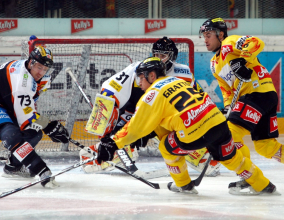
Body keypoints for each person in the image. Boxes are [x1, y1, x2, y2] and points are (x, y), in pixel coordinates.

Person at [96, 57, 278, 195]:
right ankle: (263, 185)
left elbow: (135, 128)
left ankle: (184, 185)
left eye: (141, 78)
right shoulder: (179, 81)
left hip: (194, 133)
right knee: (232, 159)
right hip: (218, 124)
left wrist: (113, 143)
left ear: (152, 75)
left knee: (166, 147)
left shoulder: (151, 95)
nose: (139, 83)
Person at [80, 36, 220, 177]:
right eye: (156, 54)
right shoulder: (138, 69)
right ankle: (118, 151)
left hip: (160, 118)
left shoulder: (183, 73)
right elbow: (108, 93)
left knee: (183, 124)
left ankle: (198, 154)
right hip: (132, 115)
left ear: (173, 57)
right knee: (109, 121)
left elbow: (196, 100)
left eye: (163, 55)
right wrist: (106, 135)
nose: (158, 58)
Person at [199, 17, 284, 190]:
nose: (205, 39)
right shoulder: (214, 64)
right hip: (263, 96)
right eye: (204, 36)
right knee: (265, 147)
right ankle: (251, 178)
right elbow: (226, 90)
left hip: (256, 93)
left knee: (228, 135)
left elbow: (256, 42)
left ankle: (251, 179)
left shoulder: (229, 43)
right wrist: (229, 107)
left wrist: (242, 59)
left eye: (209, 35)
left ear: (220, 34)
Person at [0, 45, 69, 188]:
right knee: (11, 134)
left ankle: (13, 167)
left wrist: (48, 126)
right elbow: (25, 117)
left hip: (9, 105)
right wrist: (49, 126)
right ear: (30, 62)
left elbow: (27, 108)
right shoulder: (22, 80)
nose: (41, 72)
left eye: (44, 69)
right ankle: (40, 170)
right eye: (38, 67)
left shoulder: (41, 78)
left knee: (34, 133)